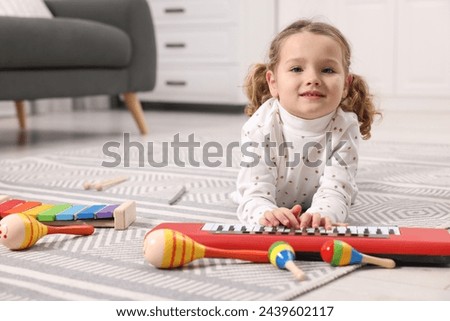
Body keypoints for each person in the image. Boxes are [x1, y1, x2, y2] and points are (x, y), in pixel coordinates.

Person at [234, 19, 380, 230]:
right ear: (273, 82)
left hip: (319, 197)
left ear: (346, 85)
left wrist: (321, 214)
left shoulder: (345, 126)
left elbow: (336, 190)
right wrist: (265, 214)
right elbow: (254, 194)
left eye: (328, 70)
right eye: (296, 68)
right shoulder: (259, 127)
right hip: (271, 195)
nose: (312, 78)